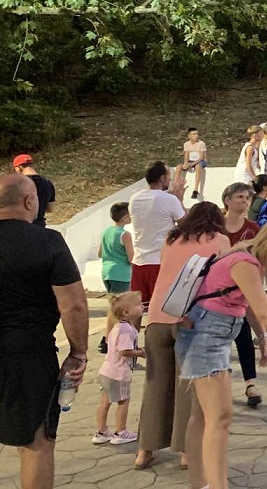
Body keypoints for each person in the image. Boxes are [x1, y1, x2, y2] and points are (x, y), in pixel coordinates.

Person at [178, 216, 267, 489]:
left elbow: (246, 303)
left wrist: (262, 337)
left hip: (208, 334)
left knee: (204, 416)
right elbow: (265, 312)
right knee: (220, 418)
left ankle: (201, 483)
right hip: (206, 336)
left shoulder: (245, 255)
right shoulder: (246, 262)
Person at [0, 174, 88, 489]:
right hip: (29, 355)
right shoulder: (48, 242)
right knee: (36, 443)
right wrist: (78, 352)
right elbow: (73, 305)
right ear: (29, 201)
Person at [135, 201, 226, 470]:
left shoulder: (171, 239)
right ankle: (187, 451)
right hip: (191, 319)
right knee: (188, 389)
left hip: (158, 316)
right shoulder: (219, 240)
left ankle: (145, 450)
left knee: (155, 385)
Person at [222, 182, 264, 407]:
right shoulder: (216, 227)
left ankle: (250, 383)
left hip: (242, 290)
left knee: (244, 336)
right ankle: (221, 383)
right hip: (218, 290)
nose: (244, 201)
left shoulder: (252, 228)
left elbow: (258, 256)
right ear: (227, 200)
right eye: (239, 197)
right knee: (220, 341)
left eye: (247, 197)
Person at [128, 161, 186, 304]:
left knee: (139, 308)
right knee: (160, 308)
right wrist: (179, 200)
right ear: (162, 178)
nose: (170, 180)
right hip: (160, 262)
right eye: (168, 176)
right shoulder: (170, 200)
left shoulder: (135, 198)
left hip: (139, 262)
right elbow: (186, 224)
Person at [92, 291, 144, 446]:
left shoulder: (117, 327)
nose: (142, 306)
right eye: (138, 304)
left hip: (106, 371)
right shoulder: (126, 330)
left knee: (105, 402)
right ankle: (121, 431)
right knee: (123, 401)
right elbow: (124, 351)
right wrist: (141, 353)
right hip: (118, 373)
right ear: (126, 312)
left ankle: (101, 431)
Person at [98, 202, 134, 355]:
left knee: (113, 306)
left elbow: (100, 253)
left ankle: (109, 338)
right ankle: (108, 340)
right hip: (121, 273)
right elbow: (131, 258)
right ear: (125, 218)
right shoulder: (124, 234)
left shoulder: (106, 232)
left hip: (107, 271)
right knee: (118, 310)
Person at [13, 154, 56, 227]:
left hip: (21, 227)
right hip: (39, 226)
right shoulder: (48, 183)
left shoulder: (16, 184)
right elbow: (50, 209)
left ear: (18, 167)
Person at [182, 127, 208, 201]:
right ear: (189, 136)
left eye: (197, 134)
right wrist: (186, 163)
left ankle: (195, 189)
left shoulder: (201, 143)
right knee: (179, 167)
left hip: (200, 161)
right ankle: (176, 187)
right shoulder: (186, 144)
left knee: (198, 166)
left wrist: (192, 164)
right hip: (191, 160)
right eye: (194, 134)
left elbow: (202, 157)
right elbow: (186, 156)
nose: (196, 136)